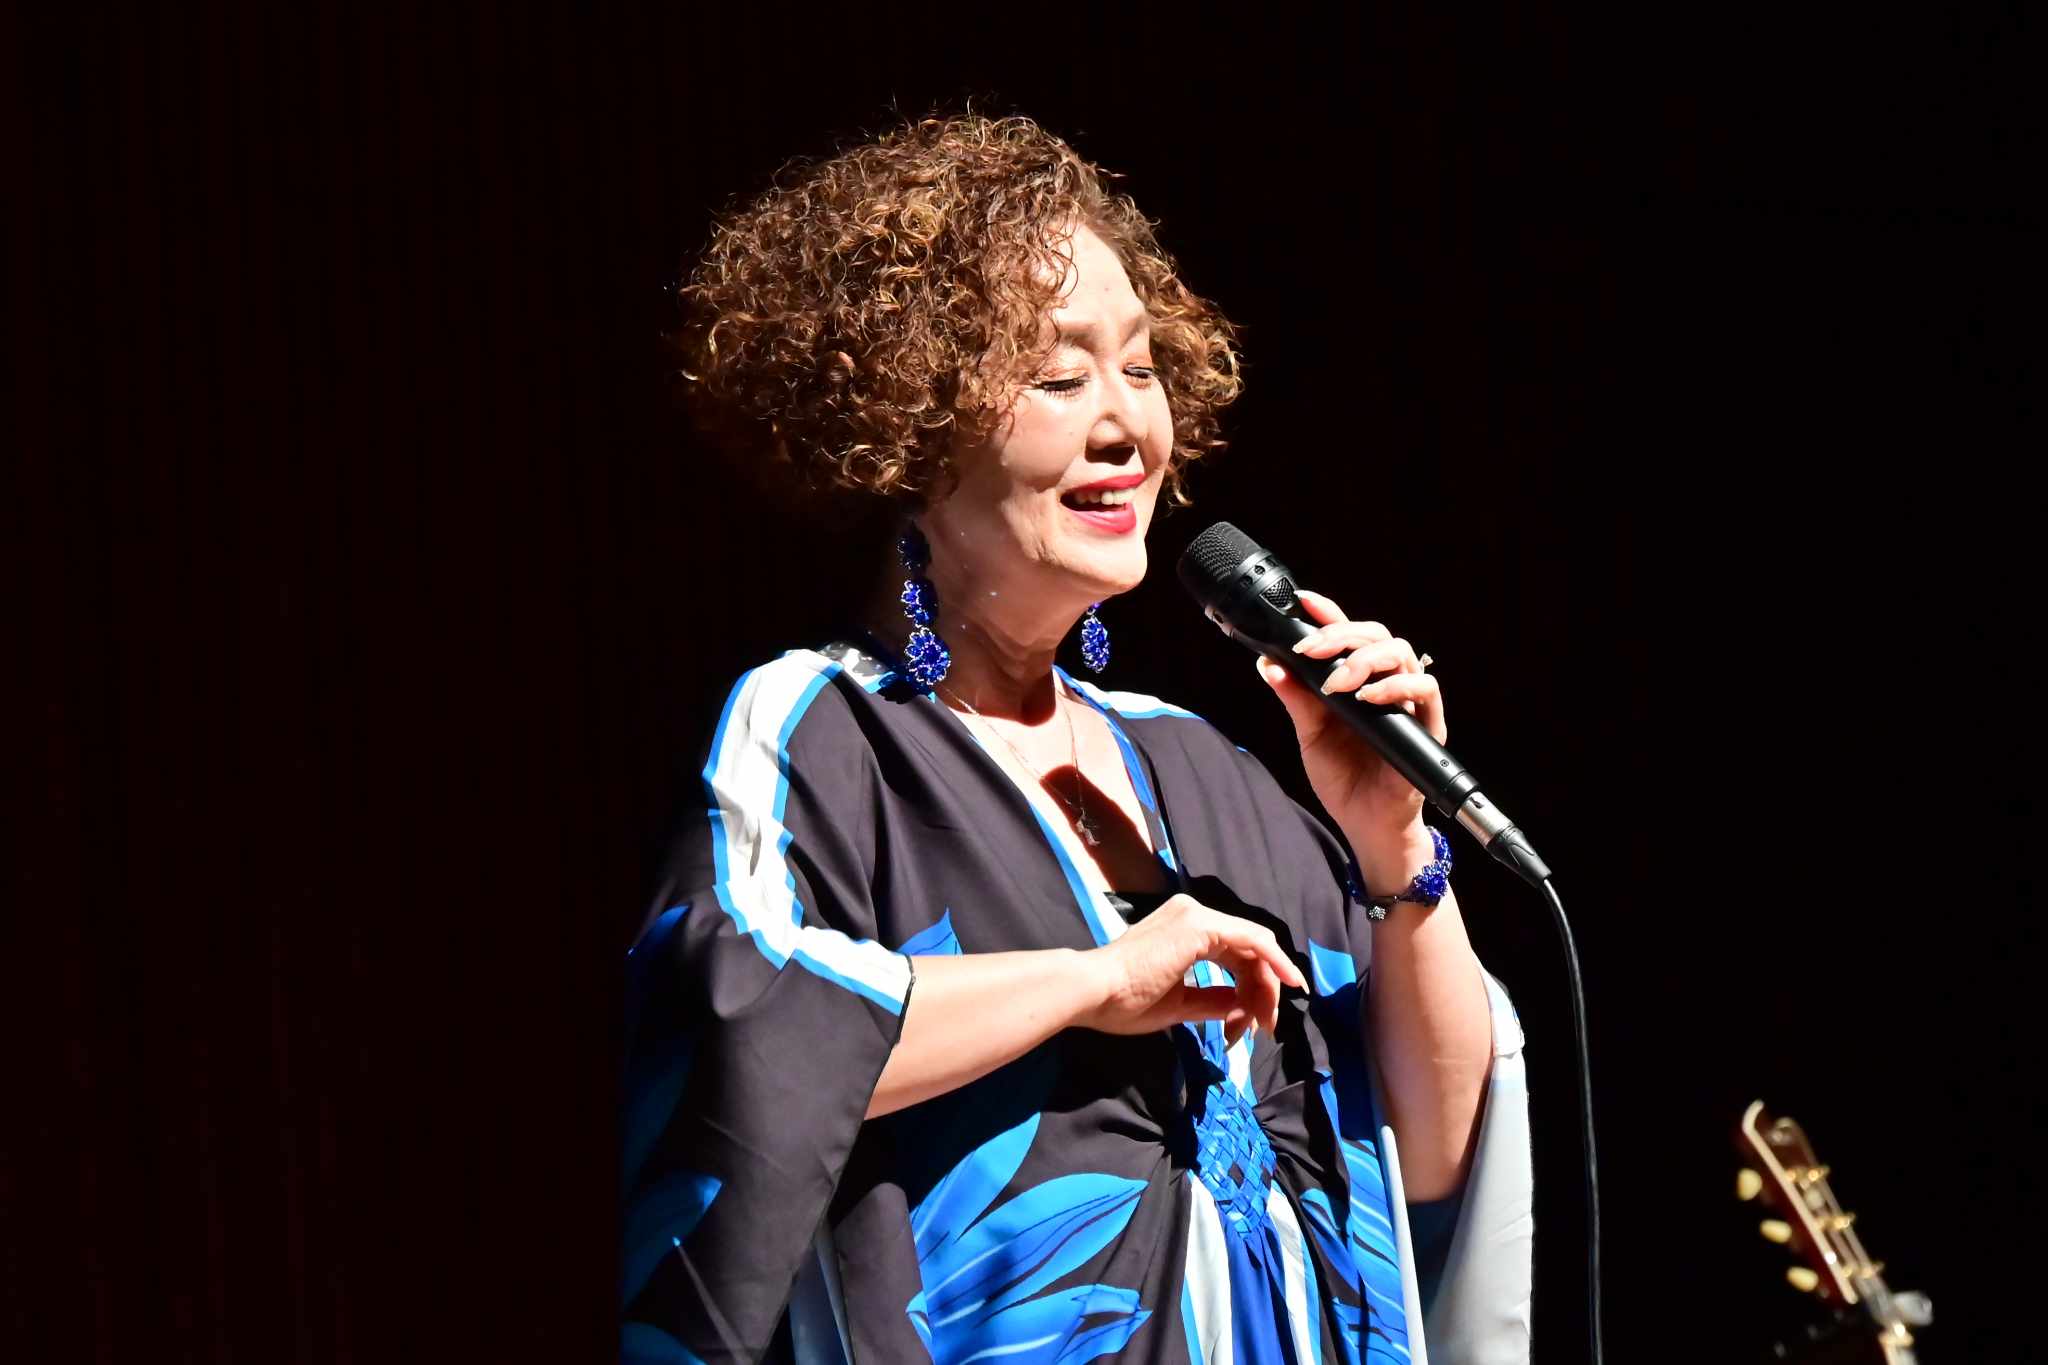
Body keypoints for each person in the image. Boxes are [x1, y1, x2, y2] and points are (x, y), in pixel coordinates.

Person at [625, 113, 1533, 1364]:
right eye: (1059, 379)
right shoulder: (820, 734)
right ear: (906, 425)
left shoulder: (1202, 768)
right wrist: (1095, 983)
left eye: (1142, 370)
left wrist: (1395, 847)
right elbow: (742, 1034)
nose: (1126, 428)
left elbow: (1423, 1155)